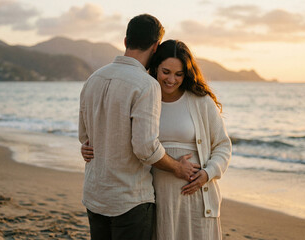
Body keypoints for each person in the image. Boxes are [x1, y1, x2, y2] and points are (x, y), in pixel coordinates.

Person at [82, 39, 232, 240]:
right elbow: (123, 136)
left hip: (195, 196)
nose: (172, 80)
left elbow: (222, 145)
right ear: (155, 68)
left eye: (179, 74)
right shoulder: (145, 94)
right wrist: (89, 145)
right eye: (166, 72)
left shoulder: (200, 101)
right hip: (156, 199)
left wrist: (207, 173)